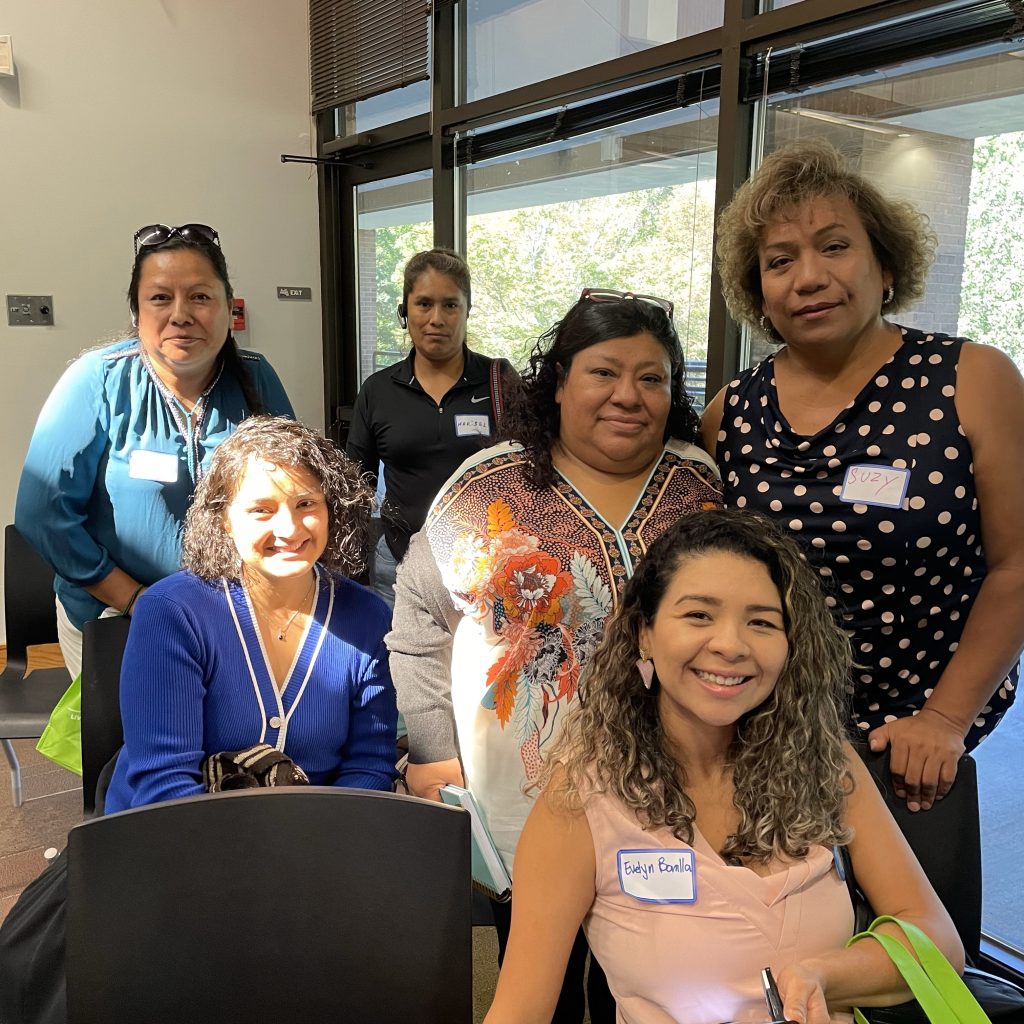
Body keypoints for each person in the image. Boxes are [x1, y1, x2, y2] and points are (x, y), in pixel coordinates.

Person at [485, 509, 963, 1024]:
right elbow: (519, 1011)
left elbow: (936, 940)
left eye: (761, 622)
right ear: (644, 633)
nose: (731, 645)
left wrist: (821, 977)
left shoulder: (822, 760)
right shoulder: (581, 798)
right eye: (698, 615)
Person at [387, 288, 722, 1022]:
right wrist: (434, 752)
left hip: (664, 792)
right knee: (540, 975)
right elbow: (417, 622)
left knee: (643, 976)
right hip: (526, 795)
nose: (627, 396)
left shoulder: (697, 484)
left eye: (652, 377)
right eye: (604, 373)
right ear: (560, 381)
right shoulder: (488, 489)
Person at [704, 140, 1024, 812]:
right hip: (762, 740)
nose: (809, 277)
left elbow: (1016, 565)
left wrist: (944, 719)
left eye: (835, 247)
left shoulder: (972, 379)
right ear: (759, 292)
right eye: (780, 261)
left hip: (913, 747)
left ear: (885, 265)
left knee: (907, 919)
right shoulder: (729, 415)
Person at [16, 223, 294, 678]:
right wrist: (134, 598)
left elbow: (289, 489)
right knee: (138, 745)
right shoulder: (98, 380)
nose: (181, 314)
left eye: (201, 297)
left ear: (228, 306)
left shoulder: (256, 377)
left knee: (227, 744)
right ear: (137, 310)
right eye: (161, 298)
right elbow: (41, 513)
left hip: (229, 616)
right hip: (113, 616)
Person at [104, 415, 397, 812]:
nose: (290, 529)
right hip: (178, 839)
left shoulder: (368, 617)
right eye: (261, 509)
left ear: (332, 509)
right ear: (223, 519)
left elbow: (369, 767)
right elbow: (164, 784)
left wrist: (316, 849)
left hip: (317, 838)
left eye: (306, 504)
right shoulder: (172, 613)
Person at [346, 247, 513, 605]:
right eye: (423, 304)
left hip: (488, 573)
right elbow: (356, 486)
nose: (436, 318)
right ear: (404, 311)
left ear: (467, 311)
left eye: (450, 305)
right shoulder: (378, 390)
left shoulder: (499, 382)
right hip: (400, 566)